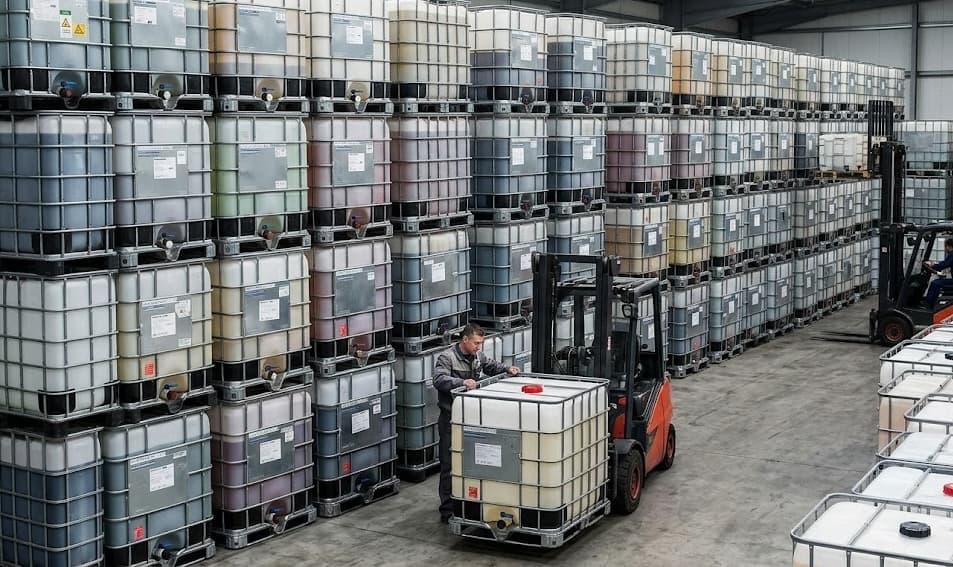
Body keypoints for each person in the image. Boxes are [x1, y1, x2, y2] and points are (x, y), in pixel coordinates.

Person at [432, 323, 520, 524]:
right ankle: (448, 510)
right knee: (450, 465)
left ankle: (470, 503)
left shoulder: (477, 356)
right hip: (451, 419)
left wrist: (508, 369)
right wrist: (461, 383)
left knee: (473, 462)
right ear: (465, 340)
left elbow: (490, 365)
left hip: (472, 419)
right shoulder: (448, 357)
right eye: (476, 343)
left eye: (481, 343)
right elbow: (439, 379)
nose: (479, 347)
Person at [924, 238, 953, 306]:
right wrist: (935, 266)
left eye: (945, 247)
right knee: (938, 282)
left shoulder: (952, 254)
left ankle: (928, 304)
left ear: (948, 246)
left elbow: (943, 265)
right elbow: (944, 263)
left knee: (935, 283)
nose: (945, 249)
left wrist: (932, 266)